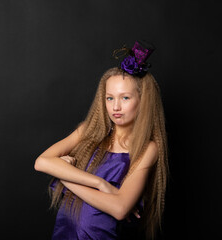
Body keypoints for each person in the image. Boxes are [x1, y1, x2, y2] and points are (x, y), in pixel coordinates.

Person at [34, 40, 168, 240]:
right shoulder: (88, 132)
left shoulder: (146, 149)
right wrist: (100, 184)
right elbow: (41, 162)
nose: (115, 107)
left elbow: (120, 208)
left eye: (125, 98)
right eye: (109, 98)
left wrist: (64, 176)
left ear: (143, 101)